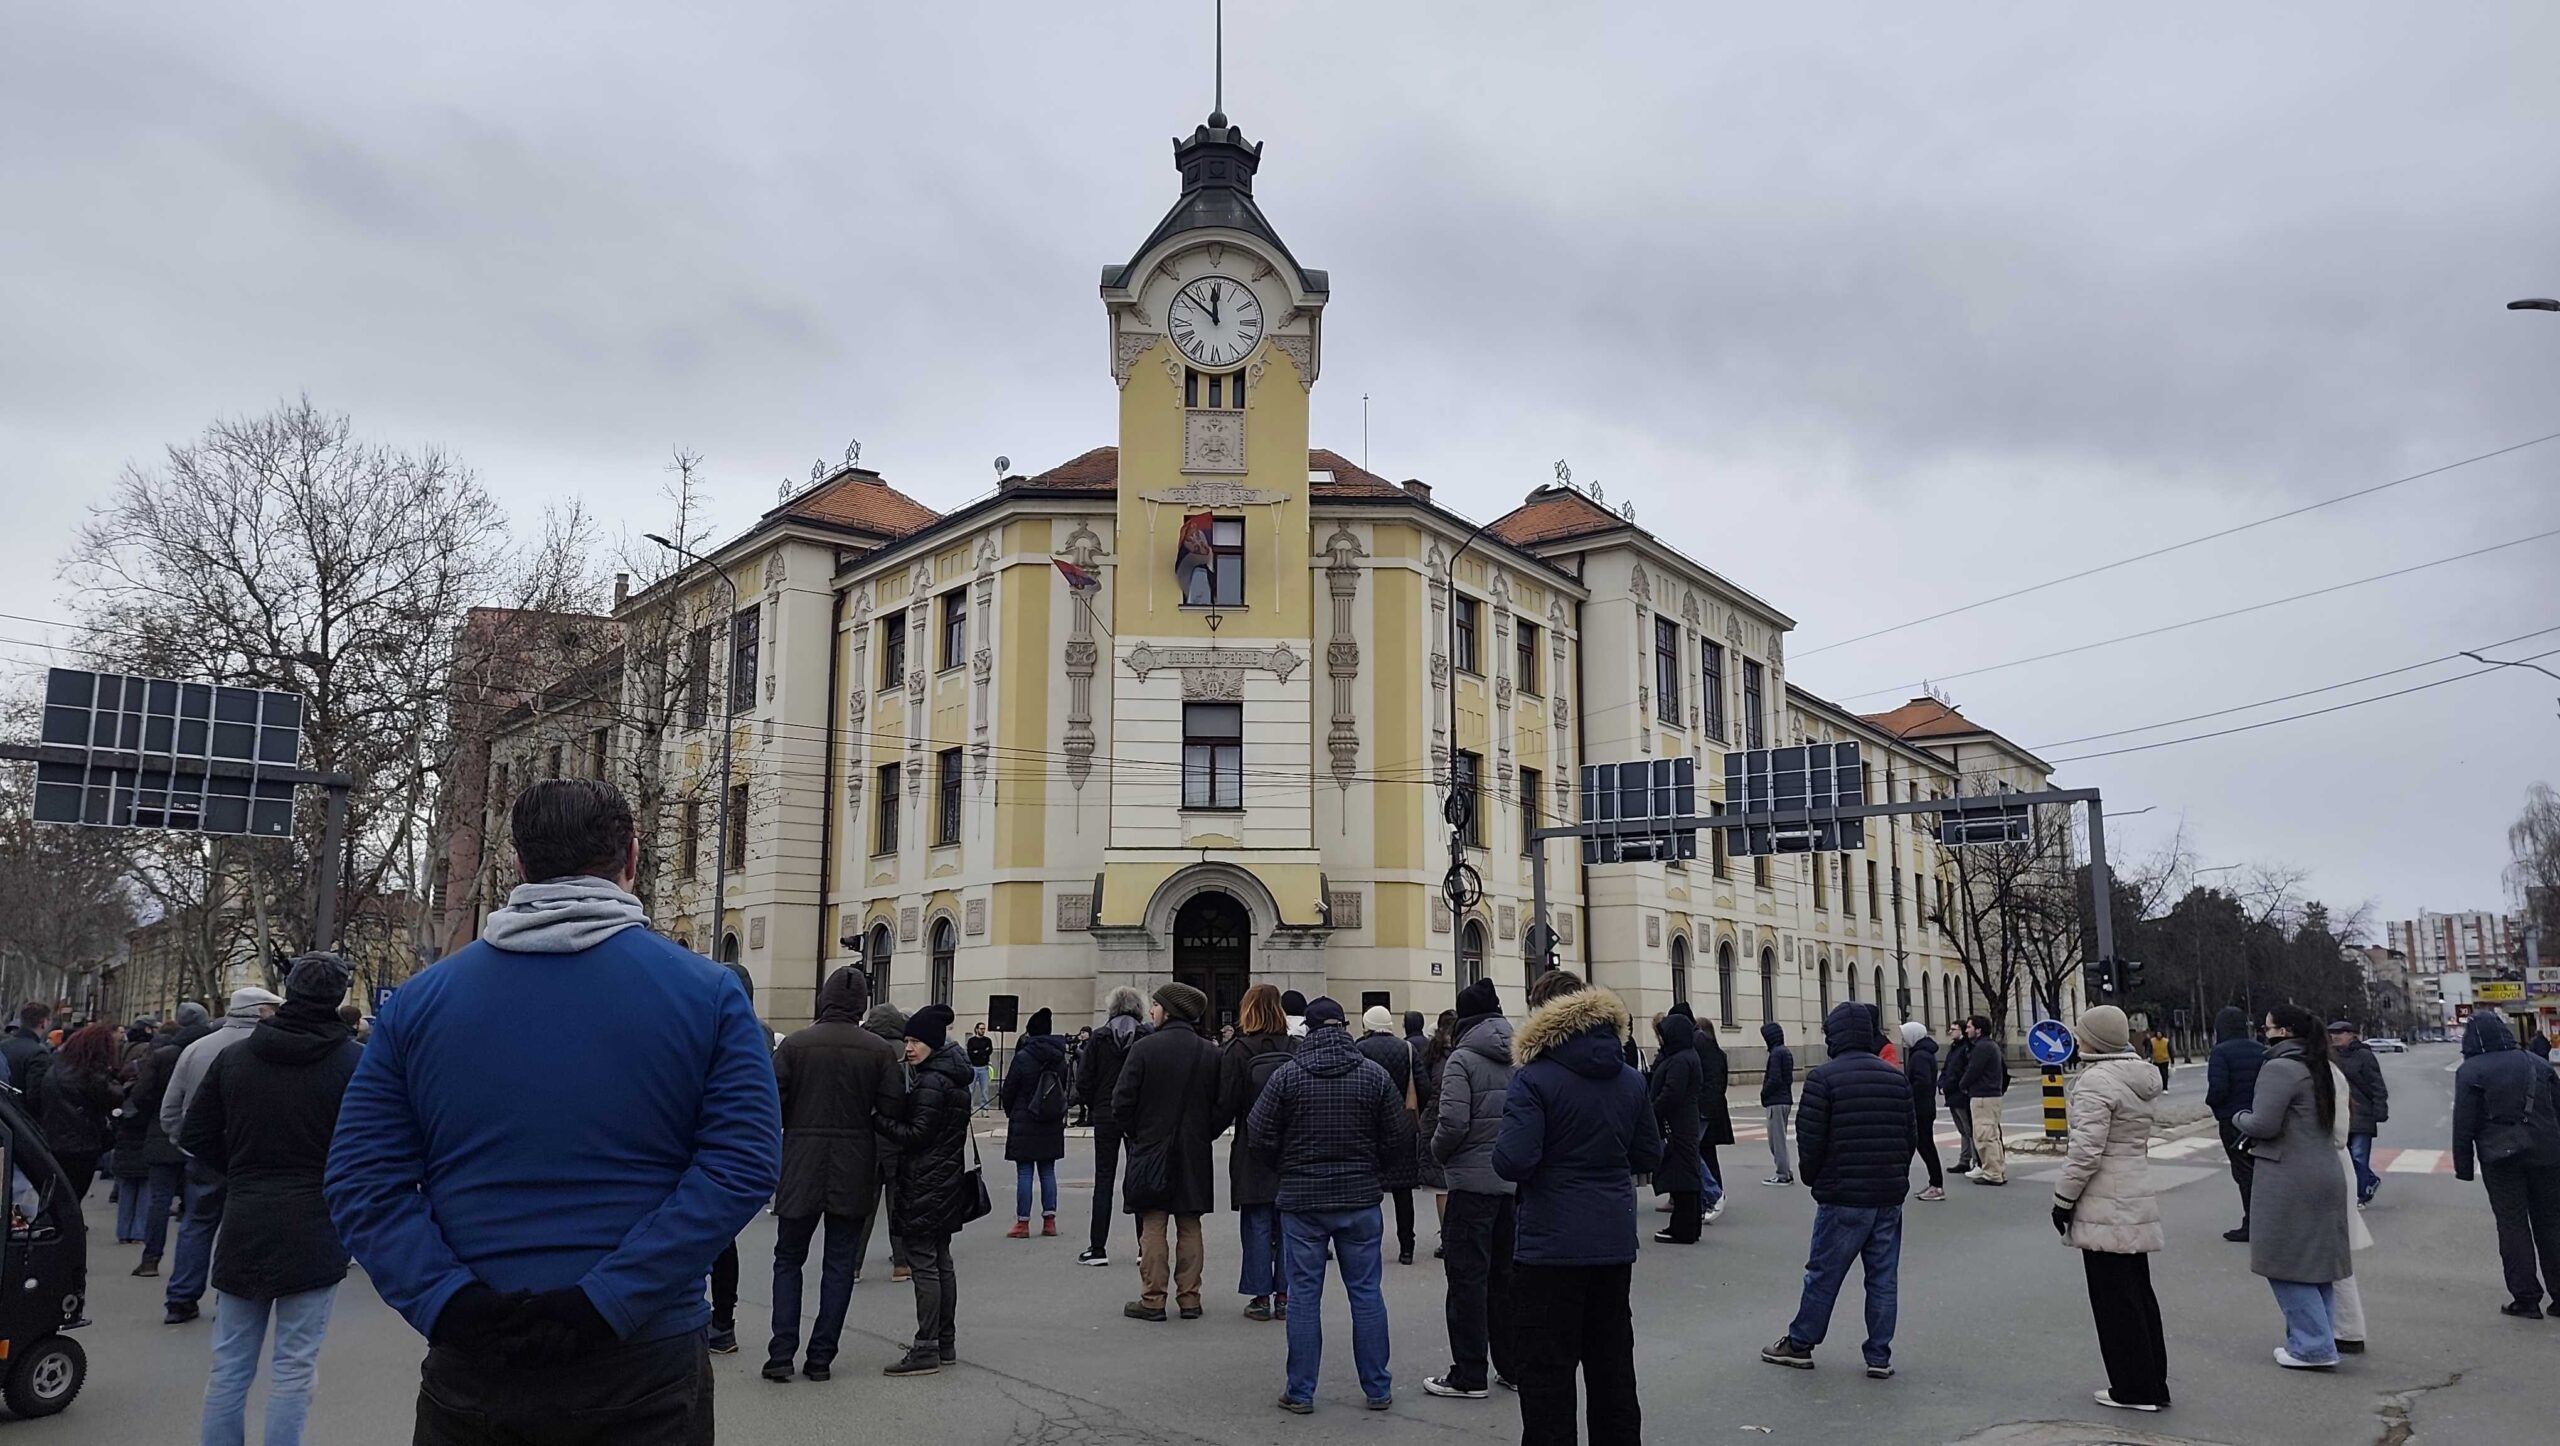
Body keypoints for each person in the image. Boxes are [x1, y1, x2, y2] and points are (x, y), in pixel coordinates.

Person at [327, 777, 781, 1441]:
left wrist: (446, 1300)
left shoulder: (420, 1004)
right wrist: (609, 1299)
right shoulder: (707, 993)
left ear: (518, 865)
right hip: (641, 1355)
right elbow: (742, 1165)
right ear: (632, 857)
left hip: (476, 1355)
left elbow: (361, 1179)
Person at [183, 952, 364, 1446]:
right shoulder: (354, 1064)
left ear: (288, 992)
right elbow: (374, 1142)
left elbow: (195, 1134)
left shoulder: (236, 1057)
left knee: (229, 1365)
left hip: (246, 1215)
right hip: (316, 1221)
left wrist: (241, 1170)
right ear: (339, 997)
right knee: (295, 1367)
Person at [1494, 971, 1658, 1442]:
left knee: (1546, 1372)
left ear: (1542, 1017)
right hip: (1612, 1241)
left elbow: (1514, 1160)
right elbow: (1649, 1154)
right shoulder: (1629, 1079)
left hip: (1549, 1246)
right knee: (1612, 1366)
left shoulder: (1534, 1079)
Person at [1249, 995, 1402, 1414]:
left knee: (1303, 1296)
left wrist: (1285, 1167)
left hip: (1303, 1200)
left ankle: (1300, 1391)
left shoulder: (1288, 1075)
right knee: (1366, 1293)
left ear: (1310, 1030)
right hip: (1360, 1197)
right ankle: (1377, 1387)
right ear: (1345, 1027)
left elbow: (1258, 1134)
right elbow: (1397, 1136)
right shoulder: (1373, 1075)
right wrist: (1373, 1170)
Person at [763, 965, 904, 1383]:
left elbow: (771, 1105)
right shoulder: (878, 1050)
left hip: (801, 1161)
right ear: (862, 1005)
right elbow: (892, 1109)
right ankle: (821, 1357)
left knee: (788, 1258)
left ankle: (781, 1353)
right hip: (854, 1163)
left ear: (824, 999)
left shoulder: (795, 1046)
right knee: (839, 1263)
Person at [1763, 1001, 1913, 1378]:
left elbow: (1810, 1140)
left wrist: (1816, 1178)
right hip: (1887, 1194)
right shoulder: (1895, 1078)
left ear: (1836, 1035)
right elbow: (1909, 1138)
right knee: (1883, 1277)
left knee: (1823, 1273)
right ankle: (1879, 1355)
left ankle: (1801, 1342)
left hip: (1843, 1195)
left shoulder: (1823, 1078)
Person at [2051, 1005, 2170, 1412]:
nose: (2077, 1038)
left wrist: (2063, 1199)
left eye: (2081, 1032)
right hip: (2134, 1189)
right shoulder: (2139, 1077)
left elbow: (2086, 1151)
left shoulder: (2096, 1082)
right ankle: (2154, 1381)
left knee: (2113, 1299)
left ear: (2095, 1039)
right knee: (2138, 1292)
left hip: (2104, 1198)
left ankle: (2133, 1388)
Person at [2231, 1004, 2353, 1369]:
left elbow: (2264, 1124)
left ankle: (2312, 1347)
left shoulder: (2279, 1068)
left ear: (2283, 1032)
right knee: (2315, 1265)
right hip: (2325, 1169)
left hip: (2290, 1174)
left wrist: (2238, 1117)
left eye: (2267, 1027)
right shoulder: (2318, 1065)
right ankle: (2318, 1339)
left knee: (2284, 1261)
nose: (2263, 1032)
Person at [162, 984, 283, 1324]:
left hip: (203, 1153)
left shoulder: (197, 1048)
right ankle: (230, 1300)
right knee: (243, 1229)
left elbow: (171, 1108)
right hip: (254, 1155)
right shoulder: (270, 1051)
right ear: (263, 1012)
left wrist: (186, 1144)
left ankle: (181, 1297)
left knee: (197, 1223)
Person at [870, 1003, 976, 1376]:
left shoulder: (932, 1081)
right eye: (907, 1041)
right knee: (941, 1260)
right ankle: (945, 1342)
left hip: (925, 1181)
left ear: (933, 1043)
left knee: (924, 1263)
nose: (909, 1048)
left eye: (915, 1041)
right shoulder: (953, 1075)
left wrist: (878, 1120)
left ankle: (926, 1346)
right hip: (946, 1179)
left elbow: (916, 1135)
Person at [1426, 978, 1516, 1401]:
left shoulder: (1462, 1059)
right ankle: (1512, 1367)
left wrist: (1438, 1152)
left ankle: (1469, 1373)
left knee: (1467, 1281)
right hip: (1509, 1184)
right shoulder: (1518, 1054)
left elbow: (1452, 1123)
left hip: (1469, 1184)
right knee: (1505, 1280)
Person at [1115, 982, 1220, 1322]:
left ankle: (1153, 1299)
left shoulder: (1145, 1049)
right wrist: (1203, 1133)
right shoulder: (1210, 1053)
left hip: (1151, 1148)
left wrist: (1139, 1133)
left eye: (1156, 1006)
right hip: (1194, 1151)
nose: (1151, 1011)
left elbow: (1121, 1101)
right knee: (1190, 1225)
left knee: (1153, 1224)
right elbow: (1222, 1105)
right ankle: (1190, 1298)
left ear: (1169, 1011)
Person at [2450, 1011, 2560, 1318]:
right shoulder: (2537, 1063)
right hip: (2548, 1154)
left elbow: (2464, 1122)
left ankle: (2526, 1298)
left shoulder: (2471, 1070)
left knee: (2513, 1225)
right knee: (2552, 1223)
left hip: (2501, 1158)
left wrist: (2463, 1166)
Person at [1212, 983, 1295, 1321]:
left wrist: (1205, 1132)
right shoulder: (1295, 1047)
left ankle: (1260, 1296)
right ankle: (1285, 1295)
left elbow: (1226, 1102)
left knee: (1256, 1221)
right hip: (1291, 1147)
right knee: (1288, 1223)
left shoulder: (1238, 1050)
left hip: (1251, 1146)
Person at [130, 1002, 212, 1276]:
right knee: (196, 1205)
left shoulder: (163, 1055)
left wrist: (152, 1114)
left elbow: (140, 1094)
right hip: (200, 1137)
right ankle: (188, 1268)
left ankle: (151, 1259)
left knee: (159, 1200)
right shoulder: (211, 1052)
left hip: (161, 1132)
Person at [1076, 987, 1148, 1267]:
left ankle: (1098, 1248)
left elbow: (1084, 1079)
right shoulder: (1145, 1036)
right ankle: (1144, 1246)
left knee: (1103, 1179)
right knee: (1138, 1178)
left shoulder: (1099, 1037)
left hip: (1106, 1113)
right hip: (1137, 1114)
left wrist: (1095, 1104)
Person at [851, 1002, 913, 1284]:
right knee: (898, 1203)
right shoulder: (906, 1051)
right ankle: (901, 1263)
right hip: (897, 1136)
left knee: (864, 1206)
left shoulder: (864, 1049)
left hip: (867, 1136)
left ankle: (853, 1265)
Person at [1357, 1004, 1424, 1264]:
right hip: (1402, 1125)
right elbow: (1424, 1086)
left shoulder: (1360, 1049)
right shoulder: (1406, 1049)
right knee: (1403, 1191)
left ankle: (1368, 1245)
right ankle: (1407, 1247)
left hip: (1369, 1126)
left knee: (1369, 1191)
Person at [1000, 1008, 1069, 1239]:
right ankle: (1049, 1221)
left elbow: (1009, 1089)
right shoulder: (1059, 1057)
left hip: (1025, 1117)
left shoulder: (1023, 1057)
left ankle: (1023, 1223)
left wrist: (1011, 1112)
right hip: (1050, 1118)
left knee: (1025, 1171)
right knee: (1048, 1170)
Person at [36, 1022, 122, 1199]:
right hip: (82, 1145)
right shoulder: (90, 1074)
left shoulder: (56, 1069)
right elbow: (114, 1096)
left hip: (53, 1140)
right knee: (73, 1197)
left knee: (57, 1196)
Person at [2325, 1051, 2375, 1353]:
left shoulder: (2318, 1072)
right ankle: (2344, 1327)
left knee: (2329, 1254)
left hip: (2325, 1163)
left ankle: (2343, 1329)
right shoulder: (2331, 1070)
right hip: (2336, 1164)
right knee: (2334, 1253)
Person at [2206, 1006, 2268, 1242]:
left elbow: (2218, 1089)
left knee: (2243, 1173)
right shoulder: (2261, 1049)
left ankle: (2251, 1222)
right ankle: (2266, 1219)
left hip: (2233, 1121)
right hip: (2260, 1118)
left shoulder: (2220, 1052)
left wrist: (2214, 1106)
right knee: (2262, 1171)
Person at [1648, 1013, 1708, 1244]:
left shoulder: (1681, 1059)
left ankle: (1682, 1229)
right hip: (1684, 1122)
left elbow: (1672, 1093)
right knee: (1686, 1175)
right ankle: (1688, 1227)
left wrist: (1653, 1111)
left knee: (1682, 1176)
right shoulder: (1686, 1055)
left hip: (1678, 1124)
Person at [2328, 1021, 2389, 1208]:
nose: (2335, 1036)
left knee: (2359, 1156)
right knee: (2342, 1157)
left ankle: (2361, 1195)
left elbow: (2376, 1084)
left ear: (2351, 1035)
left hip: (2362, 1113)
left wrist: (2380, 1109)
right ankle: (2368, 1181)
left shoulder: (2364, 1055)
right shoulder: (2329, 1056)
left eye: (2340, 1032)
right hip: (2338, 1113)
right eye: (2332, 1033)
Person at [1413, 1010, 1451, 1258]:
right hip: (1464, 1119)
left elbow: (1422, 1087)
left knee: (1441, 1186)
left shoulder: (1432, 1053)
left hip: (1435, 1120)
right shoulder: (1465, 1051)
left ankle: (1446, 1236)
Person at [1690, 1007, 1734, 1221]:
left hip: (1707, 1109)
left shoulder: (1705, 1052)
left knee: (1695, 1151)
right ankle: (1715, 1192)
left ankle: (1713, 1194)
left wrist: (1703, 1108)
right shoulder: (1717, 1052)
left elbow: (1712, 1083)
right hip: (1715, 1109)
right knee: (1707, 1152)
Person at [1958, 1015, 2009, 1186]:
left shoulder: (1982, 1048)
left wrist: (1963, 1084)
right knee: (1992, 1135)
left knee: (1984, 1135)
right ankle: (1998, 1170)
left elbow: (1973, 1070)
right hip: (1991, 1095)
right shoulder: (1990, 1045)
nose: (1966, 1030)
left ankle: (1992, 1173)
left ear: (1978, 1030)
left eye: (1969, 1027)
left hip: (1983, 1096)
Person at [1899, 1022, 1945, 1201]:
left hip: (1920, 1107)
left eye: (1905, 1036)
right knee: (1924, 1144)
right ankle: (1935, 1184)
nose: (1903, 1040)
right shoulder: (1923, 1053)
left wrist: (1907, 1092)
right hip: (1924, 1106)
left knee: (1924, 1145)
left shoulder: (1919, 1056)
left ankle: (1936, 1185)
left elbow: (1922, 1082)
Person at [1761, 1022, 1797, 1186]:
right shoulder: (1785, 1052)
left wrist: (1764, 1093)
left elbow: (1774, 1079)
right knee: (1778, 1139)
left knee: (1776, 1141)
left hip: (1776, 1100)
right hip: (1785, 1099)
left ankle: (1783, 1174)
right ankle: (1785, 1172)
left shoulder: (1776, 1054)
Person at [1940, 1023, 1976, 1175]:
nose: (1950, 1032)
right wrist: (1941, 1084)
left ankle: (1975, 1161)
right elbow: (1946, 1069)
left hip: (1960, 1094)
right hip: (1952, 1094)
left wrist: (1948, 1085)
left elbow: (1960, 1072)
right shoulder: (1954, 1048)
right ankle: (1964, 1159)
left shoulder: (1966, 1048)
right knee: (1962, 1130)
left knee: (1969, 1130)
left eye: (1954, 1029)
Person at [2, 1001, 53, 1095]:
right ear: (43, 1022)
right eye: (49, 1019)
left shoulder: (3, 1046)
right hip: (20, 1103)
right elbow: (36, 1093)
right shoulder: (38, 1053)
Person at [966, 1024, 995, 1112]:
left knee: (985, 1090)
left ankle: (985, 1109)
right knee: (970, 1089)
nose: (983, 1030)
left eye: (984, 1029)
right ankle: (969, 1108)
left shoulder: (987, 1040)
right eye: (981, 1029)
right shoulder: (971, 1041)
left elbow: (989, 1051)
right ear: (976, 1029)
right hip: (973, 1067)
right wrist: (983, 1051)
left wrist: (978, 1052)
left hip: (984, 1067)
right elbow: (970, 1053)